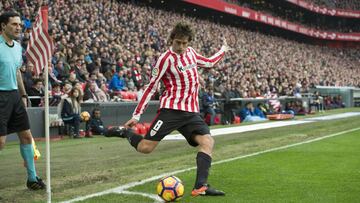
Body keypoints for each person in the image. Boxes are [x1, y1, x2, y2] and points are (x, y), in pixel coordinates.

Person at [107, 22, 230, 197]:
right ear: (172, 39)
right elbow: (151, 87)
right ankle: (124, 132)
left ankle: (200, 187)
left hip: (191, 112)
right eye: (178, 42)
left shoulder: (191, 53)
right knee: (145, 148)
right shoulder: (165, 59)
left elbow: (209, 63)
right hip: (171, 111)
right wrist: (137, 115)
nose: (181, 47)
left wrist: (223, 49)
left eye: (185, 43)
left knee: (207, 142)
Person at [0, 11, 46, 190]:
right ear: (3, 26)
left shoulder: (18, 48)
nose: (19, 27)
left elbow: (18, 72)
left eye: (20, 24)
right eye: (14, 24)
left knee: (27, 137)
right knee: (1, 142)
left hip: (15, 96)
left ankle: (32, 178)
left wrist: (24, 95)